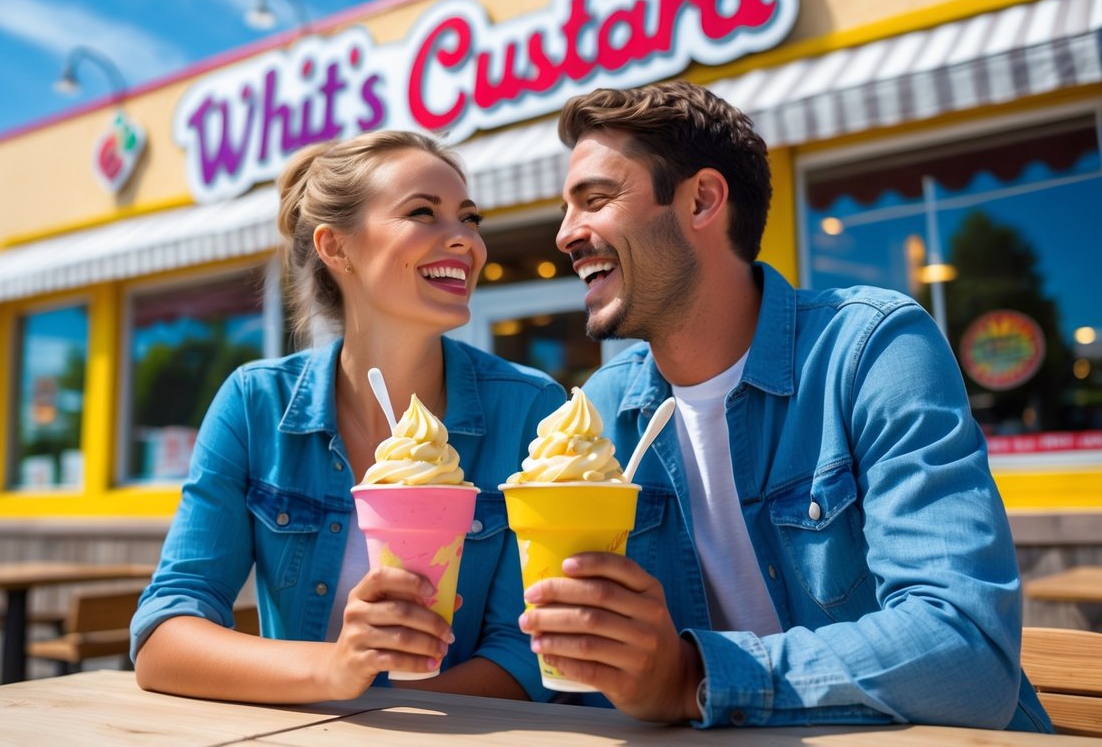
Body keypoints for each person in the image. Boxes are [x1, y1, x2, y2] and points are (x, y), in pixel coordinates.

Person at [518, 81, 1053, 730]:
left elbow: (967, 653)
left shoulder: (869, 351)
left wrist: (694, 676)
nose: (566, 234)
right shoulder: (601, 412)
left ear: (701, 200)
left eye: (595, 199)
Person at [132, 130, 565, 704]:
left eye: (469, 218)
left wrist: (382, 721)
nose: (464, 240)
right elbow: (165, 636)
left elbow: (526, 651)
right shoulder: (254, 404)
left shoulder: (532, 409)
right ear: (336, 249)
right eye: (423, 213)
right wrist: (334, 669)